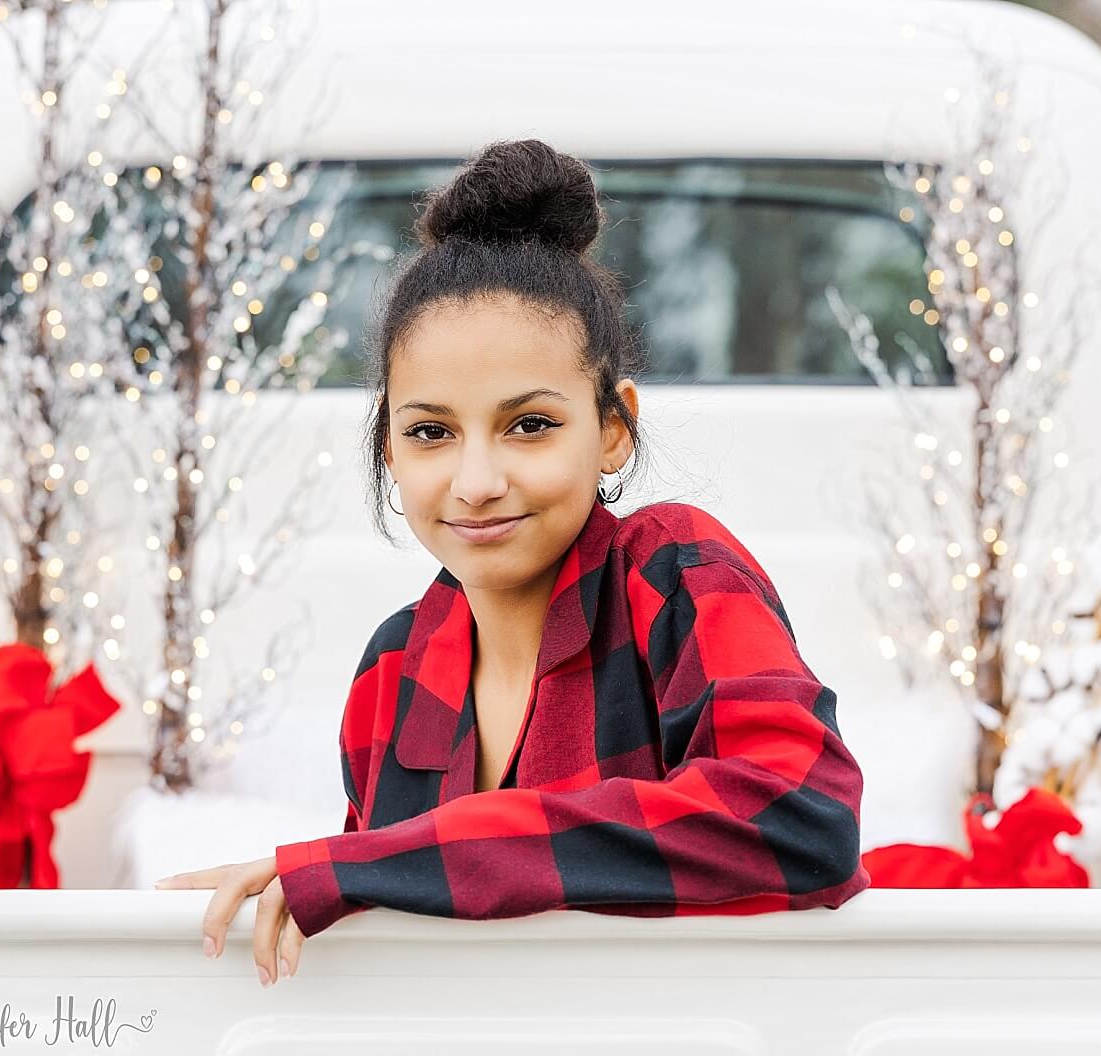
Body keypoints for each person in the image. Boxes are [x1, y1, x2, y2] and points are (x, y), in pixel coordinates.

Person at [154, 138, 871, 986]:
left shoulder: (671, 570)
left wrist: (385, 859)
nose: (478, 481)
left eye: (530, 424)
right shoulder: (392, 668)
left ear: (613, 428)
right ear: (388, 446)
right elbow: (394, 957)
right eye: (430, 432)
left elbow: (800, 819)